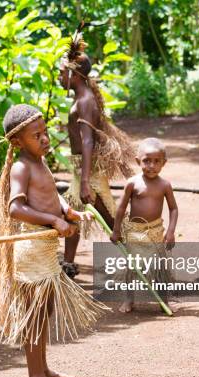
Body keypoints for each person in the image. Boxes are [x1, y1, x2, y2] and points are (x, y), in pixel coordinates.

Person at [0, 104, 107, 377]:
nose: (45, 139)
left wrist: (68, 212)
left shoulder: (39, 162)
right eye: (36, 135)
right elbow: (16, 208)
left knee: (43, 312)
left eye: (45, 132)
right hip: (32, 250)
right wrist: (53, 220)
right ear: (17, 142)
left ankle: (43, 370)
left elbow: (52, 197)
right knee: (35, 317)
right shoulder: (21, 167)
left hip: (46, 250)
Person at [58, 25, 136, 278]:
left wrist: (85, 182)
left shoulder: (85, 101)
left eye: (62, 74)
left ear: (75, 75)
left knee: (113, 223)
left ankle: (146, 265)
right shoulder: (81, 98)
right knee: (72, 217)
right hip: (82, 170)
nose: (58, 79)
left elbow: (88, 141)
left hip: (88, 173)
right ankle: (67, 267)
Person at [110, 137, 178, 313]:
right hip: (134, 231)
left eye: (157, 161)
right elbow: (121, 207)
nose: (151, 166)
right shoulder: (133, 183)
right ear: (138, 161)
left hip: (156, 231)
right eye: (147, 161)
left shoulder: (165, 185)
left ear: (164, 163)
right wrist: (116, 230)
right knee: (132, 267)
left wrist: (170, 232)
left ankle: (163, 300)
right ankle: (129, 299)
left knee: (159, 267)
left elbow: (173, 209)